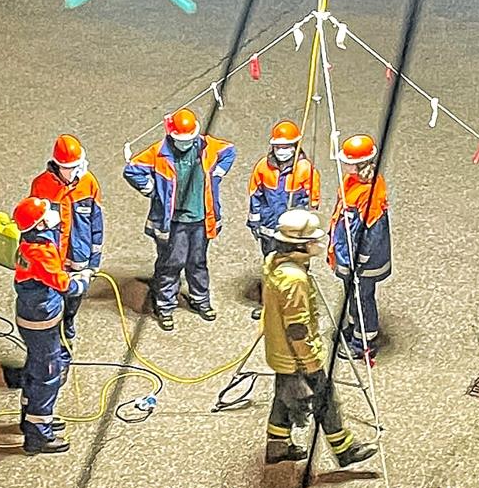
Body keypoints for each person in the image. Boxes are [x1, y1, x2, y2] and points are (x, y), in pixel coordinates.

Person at [261, 209, 379, 467]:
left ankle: (277, 446)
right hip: (298, 356)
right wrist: (311, 361)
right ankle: (344, 449)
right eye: (312, 241)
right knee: (326, 400)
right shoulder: (295, 279)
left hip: (280, 352)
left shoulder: (275, 262)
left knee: (284, 397)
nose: (317, 244)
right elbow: (297, 328)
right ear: (300, 245)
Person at [123, 107, 236, 331]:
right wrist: (151, 189)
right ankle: (165, 305)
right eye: (180, 139)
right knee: (170, 264)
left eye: (189, 138)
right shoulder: (159, 152)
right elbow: (132, 169)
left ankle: (200, 299)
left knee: (198, 262)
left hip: (201, 219)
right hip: (173, 223)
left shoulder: (206, 147)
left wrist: (218, 173)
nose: (185, 143)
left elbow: (229, 151)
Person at [11, 196, 92, 455]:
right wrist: (84, 280)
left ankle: (30, 416)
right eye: (46, 213)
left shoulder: (30, 243)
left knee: (35, 367)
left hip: (32, 316)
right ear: (38, 224)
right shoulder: (41, 253)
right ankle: (38, 434)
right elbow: (65, 285)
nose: (52, 214)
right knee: (48, 374)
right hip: (41, 321)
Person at [30, 134, 104, 382]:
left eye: (74, 168)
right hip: (53, 260)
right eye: (67, 167)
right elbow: (33, 223)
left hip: (78, 257)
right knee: (52, 308)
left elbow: (96, 224)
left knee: (73, 300)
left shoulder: (89, 183)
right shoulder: (41, 185)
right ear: (56, 164)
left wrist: (93, 261)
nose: (71, 172)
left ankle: (69, 324)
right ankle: (58, 351)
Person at [247, 119, 320, 319]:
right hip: (269, 230)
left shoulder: (305, 169)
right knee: (270, 267)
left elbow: (312, 203)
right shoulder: (263, 167)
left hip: (294, 234)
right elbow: (256, 195)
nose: (281, 150)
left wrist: (304, 230)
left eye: (286, 146)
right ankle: (269, 306)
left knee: (297, 268)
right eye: (278, 146)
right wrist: (255, 222)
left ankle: (296, 307)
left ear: (295, 146)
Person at [329, 134, 392, 362]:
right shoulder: (352, 182)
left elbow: (372, 233)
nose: (343, 164)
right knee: (353, 296)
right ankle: (354, 327)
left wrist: (360, 259)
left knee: (362, 297)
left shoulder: (371, 192)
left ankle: (363, 342)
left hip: (363, 261)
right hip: (348, 253)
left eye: (347, 161)